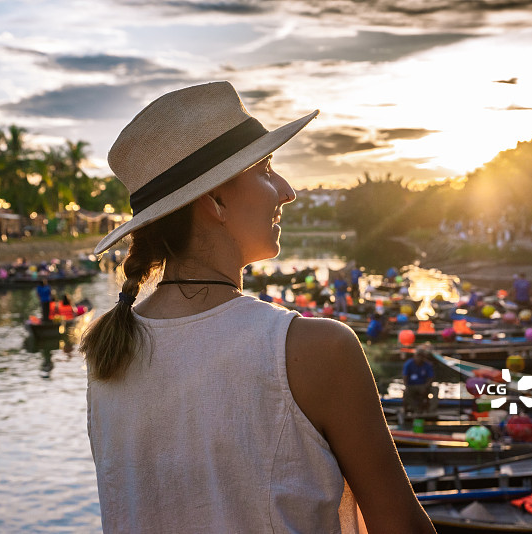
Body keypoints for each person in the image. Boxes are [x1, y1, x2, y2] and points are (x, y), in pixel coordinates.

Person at [82, 82, 434, 533]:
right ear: (216, 201)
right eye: (267, 170)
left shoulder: (108, 355)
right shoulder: (312, 348)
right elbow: (401, 526)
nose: (287, 191)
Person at [402, 346, 434, 415]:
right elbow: (405, 377)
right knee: (406, 393)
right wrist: (406, 386)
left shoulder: (428, 365)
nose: (419, 358)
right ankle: (415, 410)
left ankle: (431, 411)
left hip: (423, 385)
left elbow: (431, 377)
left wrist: (426, 386)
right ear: (415, 356)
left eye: (421, 356)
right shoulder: (408, 364)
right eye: (418, 355)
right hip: (411, 385)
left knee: (435, 390)